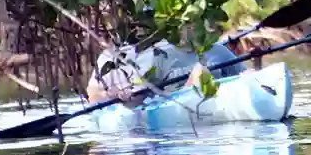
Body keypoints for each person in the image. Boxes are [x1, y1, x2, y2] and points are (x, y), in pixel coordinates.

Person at [85, 40, 248, 107]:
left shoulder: (218, 50)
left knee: (201, 71)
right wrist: (123, 98)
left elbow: (246, 78)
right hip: (176, 111)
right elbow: (138, 102)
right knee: (200, 72)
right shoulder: (153, 56)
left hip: (218, 105)